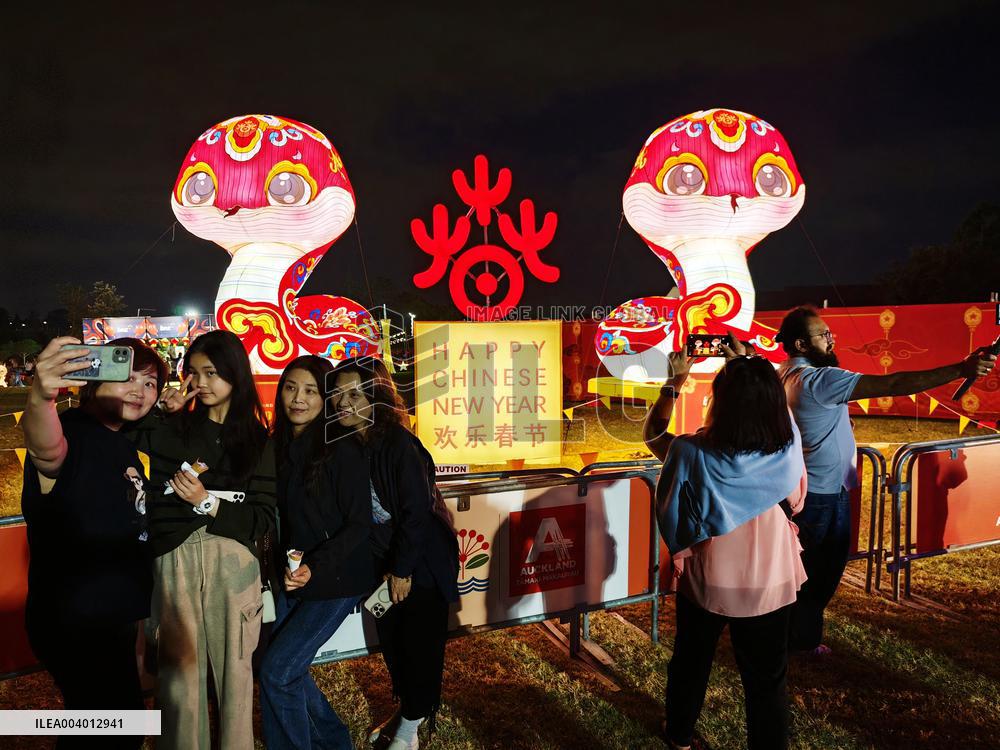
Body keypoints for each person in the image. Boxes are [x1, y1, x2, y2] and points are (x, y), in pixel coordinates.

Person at [775, 306, 998, 654]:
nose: (831, 340)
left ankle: (794, 638)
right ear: (801, 343)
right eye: (823, 335)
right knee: (819, 574)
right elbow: (894, 383)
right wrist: (961, 369)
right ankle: (797, 641)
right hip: (822, 495)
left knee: (803, 571)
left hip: (805, 490)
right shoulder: (821, 379)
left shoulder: (784, 373)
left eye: (830, 333)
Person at [646, 345, 808, 750]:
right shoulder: (787, 445)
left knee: (691, 660)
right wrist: (748, 363)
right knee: (767, 679)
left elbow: (653, 436)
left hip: (710, 575)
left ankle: (680, 733)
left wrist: (674, 381)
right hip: (771, 575)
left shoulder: (690, 451)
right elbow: (779, 418)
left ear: (719, 402)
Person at [131, 329, 276, 750]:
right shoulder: (173, 427)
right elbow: (124, 434)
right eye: (193, 373)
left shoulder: (257, 440)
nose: (200, 383)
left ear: (234, 374)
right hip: (173, 556)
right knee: (178, 677)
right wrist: (160, 408)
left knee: (235, 672)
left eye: (211, 372)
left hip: (232, 561)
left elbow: (261, 518)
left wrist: (207, 502)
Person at [21, 336, 167, 749]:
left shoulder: (120, 441)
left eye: (150, 383)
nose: (139, 390)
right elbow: (46, 451)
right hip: (76, 622)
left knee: (99, 727)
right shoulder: (72, 431)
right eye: (127, 376)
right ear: (92, 379)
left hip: (110, 618)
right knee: (111, 732)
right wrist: (41, 396)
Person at [331, 356, 459, 750]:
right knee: (394, 644)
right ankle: (405, 715)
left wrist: (403, 570)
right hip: (383, 560)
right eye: (338, 394)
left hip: (420, 562)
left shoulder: (399, 444)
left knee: (419, 645)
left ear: (377, 397)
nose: (343, 403)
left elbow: (416, 511)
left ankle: (410, 730)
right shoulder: (348, 444)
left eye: (355, 394)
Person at [259, 355, 374, 750]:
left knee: (278, 671)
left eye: (310, 390)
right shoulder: (276, 445)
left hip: (337, 577)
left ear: (325, 399)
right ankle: (335, 742)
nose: (298, 398)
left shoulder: (341, 448)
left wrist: (316, 566)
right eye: (291, 388)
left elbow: (359, 524)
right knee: (281, 668)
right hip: (292, 574)